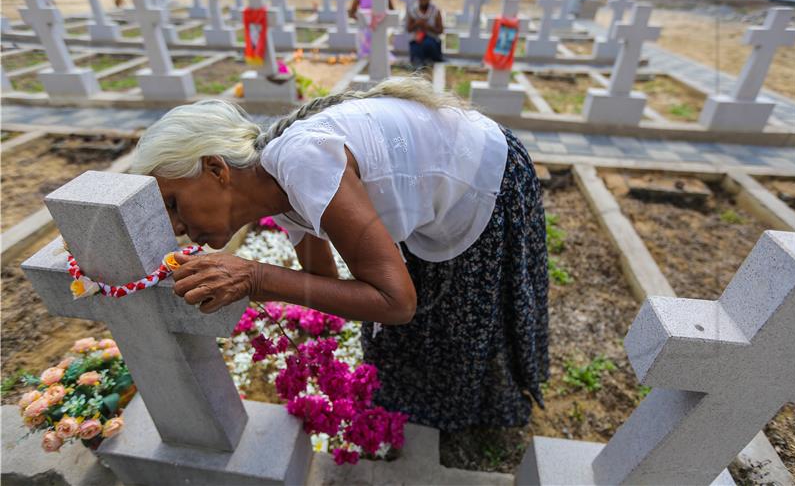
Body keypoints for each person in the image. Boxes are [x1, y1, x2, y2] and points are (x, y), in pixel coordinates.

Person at [130, 76, 549, 433]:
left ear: (216, 169)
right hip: (442, 184)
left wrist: (257, 277)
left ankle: (479, 416)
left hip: (485, 175)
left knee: (461, 318)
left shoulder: (301, 161)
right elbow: (325, 285)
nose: (176, 227)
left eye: (172, 203)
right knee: (413, 327)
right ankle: (426, 414)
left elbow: (396, 302)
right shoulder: (277, 189)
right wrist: (257, 282)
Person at [406, 0, 444, 68]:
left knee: (428, 44)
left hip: (432, 41)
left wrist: (427, 26)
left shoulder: (435, 10)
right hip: (418, 40)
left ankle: (428, 61)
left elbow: (440, 30)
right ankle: (418, 63)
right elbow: (409, 29)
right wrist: (417, 23)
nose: (423, 0)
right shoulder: (413, 10)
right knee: (415, 46)